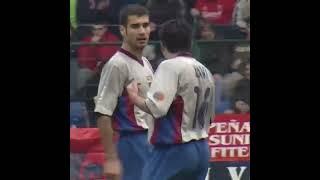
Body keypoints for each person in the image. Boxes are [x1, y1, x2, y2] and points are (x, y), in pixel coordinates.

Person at [126, 19, 215, 180]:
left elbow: (156, 108)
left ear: (162, 45)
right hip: (202, 148)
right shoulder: (205, 70)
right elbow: (211, 117)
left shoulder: (170, 66)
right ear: (190, 42)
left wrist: (133, 96)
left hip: (174, 149)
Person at [94, 4, 154, 180]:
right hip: (131, 142)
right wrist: (111, 158)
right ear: (122, 30)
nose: (142, 31)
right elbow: (103, 112)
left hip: (149, 141)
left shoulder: (145, 62)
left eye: (145, 25)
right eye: (135, 26)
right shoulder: (116, 64)